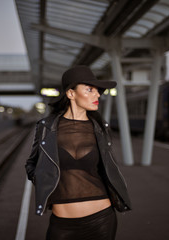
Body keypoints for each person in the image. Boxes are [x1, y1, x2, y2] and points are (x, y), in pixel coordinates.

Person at [26, 65, 131, 240]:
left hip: (102, 220)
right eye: (89, 89)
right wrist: (43, 179)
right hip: (62, 224)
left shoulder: (100, 129)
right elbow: (31, 164)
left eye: (97, 91)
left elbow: (108, 167)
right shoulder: (46, 127)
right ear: (71, 93)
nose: (97, 95)